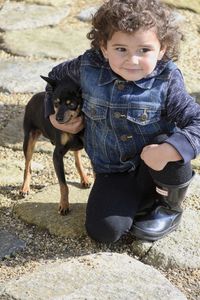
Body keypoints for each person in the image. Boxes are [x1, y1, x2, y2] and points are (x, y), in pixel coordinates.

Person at [44, 0, 200, 243]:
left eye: (144, 50)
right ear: (104, 48)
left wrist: (169, 150)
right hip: (112, 171)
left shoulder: (167, 78)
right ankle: (139, 202)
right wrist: (54, 117)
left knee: (171, 143)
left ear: (162, 49)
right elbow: (54, 78)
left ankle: (169, 208)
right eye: (121, 49)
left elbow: (196, 120)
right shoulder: (87, 66)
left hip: (157, 167)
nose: (132, 60)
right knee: (105, 231)